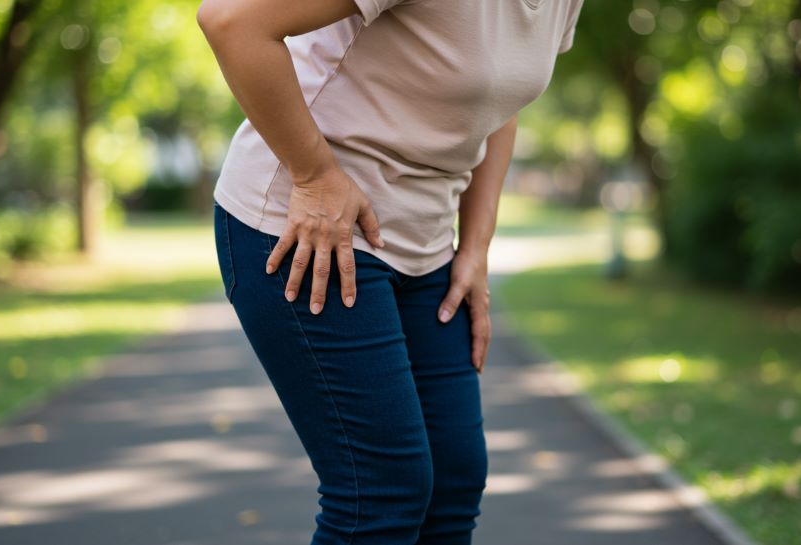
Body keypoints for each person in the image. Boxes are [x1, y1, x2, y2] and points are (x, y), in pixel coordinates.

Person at [197, 0, 583, 543]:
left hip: (426, 244)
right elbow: (233, 22)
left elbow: (500, 104)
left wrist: (475, 245)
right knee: (380, 492)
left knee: (453, 483)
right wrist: (315, 175)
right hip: (307, 225)